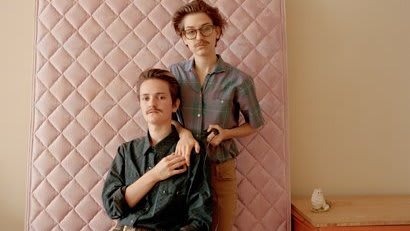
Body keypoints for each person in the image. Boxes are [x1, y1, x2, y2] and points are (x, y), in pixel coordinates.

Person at [170, 1, 265, 230]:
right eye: (190, 32)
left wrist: (226, 133)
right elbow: (165, 118)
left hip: (221, 169)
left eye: (206, 29)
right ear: (183, 37)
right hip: (184, 168)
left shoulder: (239, 80)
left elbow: (255, 124)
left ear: (217, 31)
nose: (199, 37)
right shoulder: (174, 74)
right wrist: (183, 133)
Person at [102, 69, 212, 231]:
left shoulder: (192, 154)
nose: (152, 104)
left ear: (175, 105)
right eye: (145, 98)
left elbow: (200, 220)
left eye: (161, 97)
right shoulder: (126, 152)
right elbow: (112, 207)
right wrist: (155, 175)